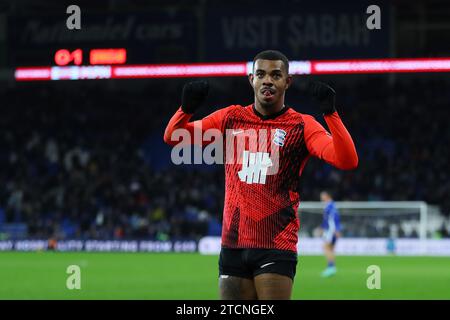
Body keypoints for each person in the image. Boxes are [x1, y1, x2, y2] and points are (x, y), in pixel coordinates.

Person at [163, 50, 358, 299]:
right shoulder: (230, 118)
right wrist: (186, 109)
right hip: (232, 244)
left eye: (276, 75)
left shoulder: (302, 125)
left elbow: (347, 160)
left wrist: (331, 115)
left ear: (287, 82)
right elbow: (173, 136)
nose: (268, 80)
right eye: (261, 74)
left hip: (275, 246)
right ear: (251, 79)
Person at [318, 190, 342, 277]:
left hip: (331, 231)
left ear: (327, 196)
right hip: (332, 230)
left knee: (326, 247)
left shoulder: (329, 206)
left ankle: (331, 268)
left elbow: (333, 219)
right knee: (331, 249)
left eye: (322, 196)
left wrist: (336, 230)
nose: (321, 198)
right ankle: (331, 268)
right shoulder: (332, 205)